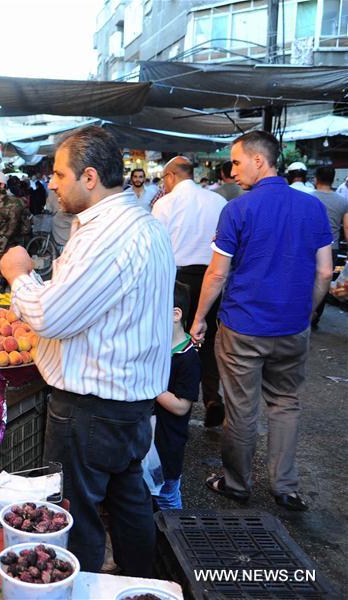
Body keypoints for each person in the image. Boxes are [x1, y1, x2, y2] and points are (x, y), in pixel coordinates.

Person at [0, 125, 175, 576]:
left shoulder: (108, 236)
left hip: (91, 406)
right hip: (128, 401)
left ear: (90, 177)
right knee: (128, 498)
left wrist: (18, 274)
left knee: (74, 515)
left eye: (59, 174)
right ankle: (139, 582)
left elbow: (51, 316)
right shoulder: (143, 224)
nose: (52, 183)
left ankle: (79, 584)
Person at [192, 131, 332, 512]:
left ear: (259, 160)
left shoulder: (238, 210)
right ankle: (284, 487)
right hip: (292, 328)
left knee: (241, 408)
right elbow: (324, 273)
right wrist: (305, 313)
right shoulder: (312, 208)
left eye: (236, 162)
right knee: (285, 404)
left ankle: (237, 483)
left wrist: (199, 318)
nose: (232, 170)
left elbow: (217, 275)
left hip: (243, 327)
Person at [152, 156, 228, 427]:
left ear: (171, 176)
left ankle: (173, 395)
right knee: (208, 338)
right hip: (212, 278)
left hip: (177, 279)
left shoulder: (165, 203)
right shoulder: (218, 201)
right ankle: (211, 397)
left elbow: (155, 248)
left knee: (174, 338)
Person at [153, 282, 201, 510]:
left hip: (168, 444)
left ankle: (176, 541)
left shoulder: (188, 358)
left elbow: (181, 406)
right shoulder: (158, 349)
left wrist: (150, 386)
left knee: (167, 497)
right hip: (151, 440)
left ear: (175, 314)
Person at [311, 165, 348, 327]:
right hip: (331, 249)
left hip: (309, 247)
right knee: (324, 281)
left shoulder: (309, 198)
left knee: (307, 279)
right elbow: (346, 226)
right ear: (333, 179)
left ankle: (303, 312)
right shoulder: (343, 201)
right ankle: (316, 315)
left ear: (316, 179)